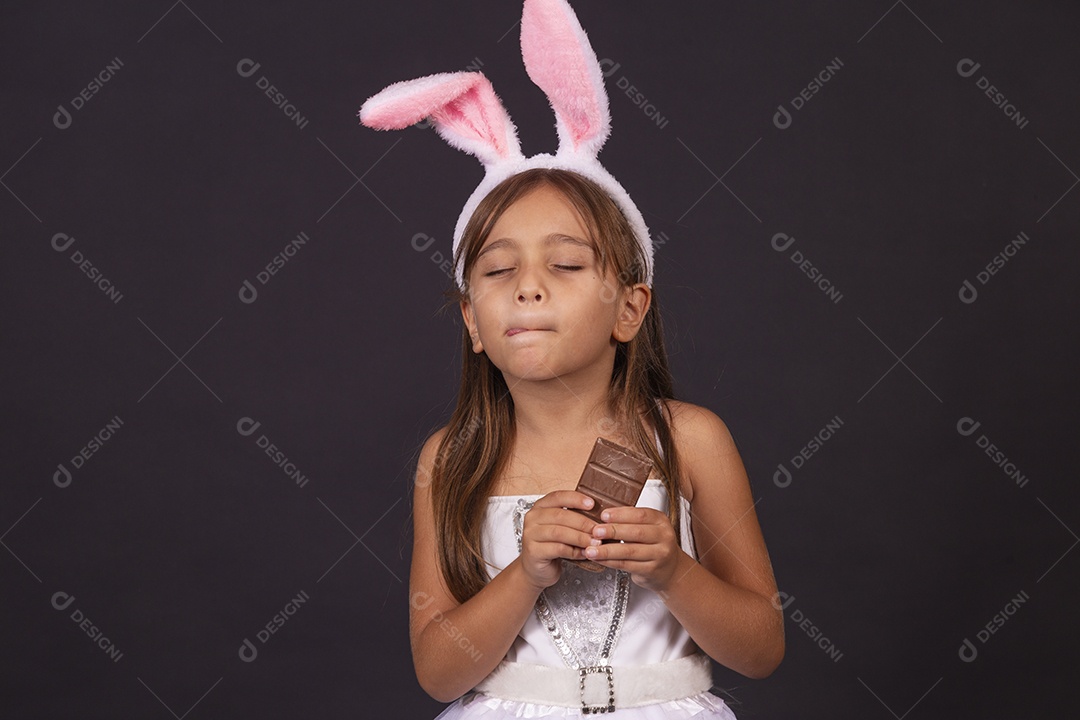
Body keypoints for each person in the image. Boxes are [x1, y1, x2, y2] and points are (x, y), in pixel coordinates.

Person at [358, 1, 783, 716]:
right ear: (472, 321)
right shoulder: (452, 457)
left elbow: (761, 648)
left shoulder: (689, 440)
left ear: (629, 309)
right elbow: (437, 673)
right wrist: (524, 573)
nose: (528, 287)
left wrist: (672, 570)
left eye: (565, 265)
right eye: (498, 271)